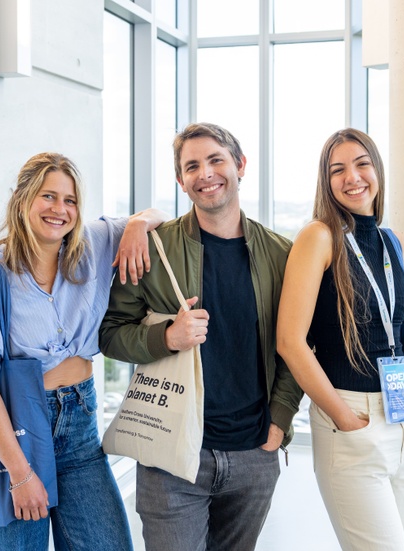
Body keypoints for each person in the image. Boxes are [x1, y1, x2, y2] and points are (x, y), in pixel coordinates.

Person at [0, 152, 168, 550]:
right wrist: (20, 474)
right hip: (17, 433)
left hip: (80, 424)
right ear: (23, 200)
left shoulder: (95, 243)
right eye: (48, 196)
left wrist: (135, 225)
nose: (60, 209)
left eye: (70, 200)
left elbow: (160, 215)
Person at [99, 122, 303, 551]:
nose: (205, 173)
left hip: (253, 455)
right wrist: (166, 339)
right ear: (181, 181)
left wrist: (280, 420)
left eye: (216, 160)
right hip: (170, 455)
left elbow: (299, 346)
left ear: (240, 165)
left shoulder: (282, 255)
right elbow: (111, 334)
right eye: (192, 166)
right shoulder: (154, 249)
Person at [276, 128, 404, 550]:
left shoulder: (398, 244)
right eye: (337, 170)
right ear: (325, 183)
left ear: (377, 170)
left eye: (362, 163)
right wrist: (345, 419)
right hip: (352, 422)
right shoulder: (319, 237)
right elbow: (290, 341)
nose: (353, 177)